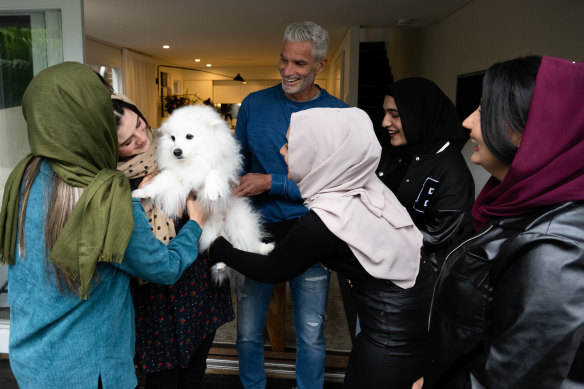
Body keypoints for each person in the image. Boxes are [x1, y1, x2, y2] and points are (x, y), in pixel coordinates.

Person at [0, 62, 208, 389]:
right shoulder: (108, 195)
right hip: (91, 370)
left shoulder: (22, 178)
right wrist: (195, 223)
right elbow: (163, 267)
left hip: (32, 364)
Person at [209, 107, 435, 389]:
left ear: (321, 154)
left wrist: (216, 246)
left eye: (290, 145)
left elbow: (271, 269)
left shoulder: (326, 219)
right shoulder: (361, 186)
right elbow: (301, 236)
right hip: (410, 316)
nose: (281, 151)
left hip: (390, 336)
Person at [413, 55, 584, 389]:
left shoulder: (554, 247)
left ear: (532, 128)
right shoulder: (513, 204)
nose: (467, 122)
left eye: (483, 110)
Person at [233, 21, 348, 389]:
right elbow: (236, 163)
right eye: (283, 60)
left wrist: (271, 182)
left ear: (321, 65)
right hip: (256, 230)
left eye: (299, 64)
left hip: (310, 233)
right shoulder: (254, 104)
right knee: (248, 331)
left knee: (311, 333)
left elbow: (337, 185)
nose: (287, 70)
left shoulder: (339, 115)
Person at [112, 94, 234, 389]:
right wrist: (139, 205)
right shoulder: (113, 185)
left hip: (198, 287)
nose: (142, 139)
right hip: (155, 299)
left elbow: (221, 185)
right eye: (127, 141)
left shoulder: (176, 146)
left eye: (141, 125)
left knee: (195, 372)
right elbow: (134, 249)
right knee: (163, 380)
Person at [376, 77, 475, 272]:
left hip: (419, 281)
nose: (384, 122)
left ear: (419, 116)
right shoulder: (394, 152)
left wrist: (369, 244)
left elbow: (435, 238)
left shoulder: (451, 169)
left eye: (394, 114)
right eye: (385, 113)